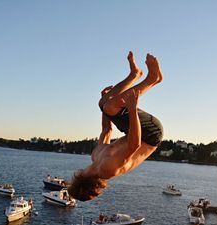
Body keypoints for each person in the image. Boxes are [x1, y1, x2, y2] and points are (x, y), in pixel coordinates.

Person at [68, 52, 163, 201]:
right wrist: (132, 110)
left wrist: (104, 100)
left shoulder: (95, 157)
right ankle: (153, 79)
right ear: (80, 181)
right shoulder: (108, 169)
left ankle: (134, 74)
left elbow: (107, 130)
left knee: (105, 104)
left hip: (135, 130)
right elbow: (134, 145)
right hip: (150, 134)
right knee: (110, 106)